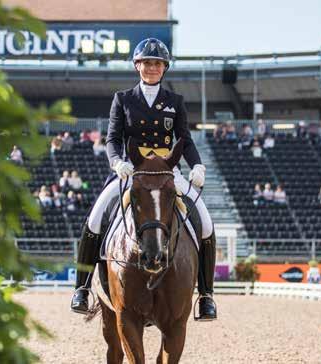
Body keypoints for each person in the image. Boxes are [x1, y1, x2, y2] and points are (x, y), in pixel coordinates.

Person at [70, 38, 217, 320]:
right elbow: (113, 138)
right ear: (137, 65)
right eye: (147, 62)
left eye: (157, 63)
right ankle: (82, 287)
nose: (152, 68)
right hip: (132, 170)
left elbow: (184, 141)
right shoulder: (123, 99)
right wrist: (117, 162)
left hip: (166, 172)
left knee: (205, 220)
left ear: (164, 68)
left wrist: (197, 165)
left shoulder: (175, 102)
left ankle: (206, 295)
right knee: (96, 214)